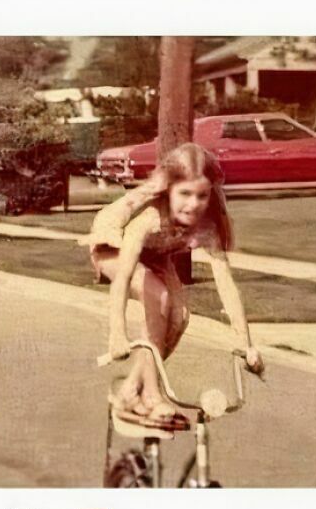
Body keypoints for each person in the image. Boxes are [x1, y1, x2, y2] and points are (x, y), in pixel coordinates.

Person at [85, 143, 263, 426]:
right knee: (160, 299)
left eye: (202, 195)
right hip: (114, 250)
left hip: (156, 256)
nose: (193, 204)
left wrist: (246, 344)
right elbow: (123, 278)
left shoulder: (208, 224)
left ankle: (130, 391)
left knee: (179, 318)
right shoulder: (149, 216)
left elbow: (226, 284)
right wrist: (117, 334)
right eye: (185, 194)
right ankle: (153, 396)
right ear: (168, 189)